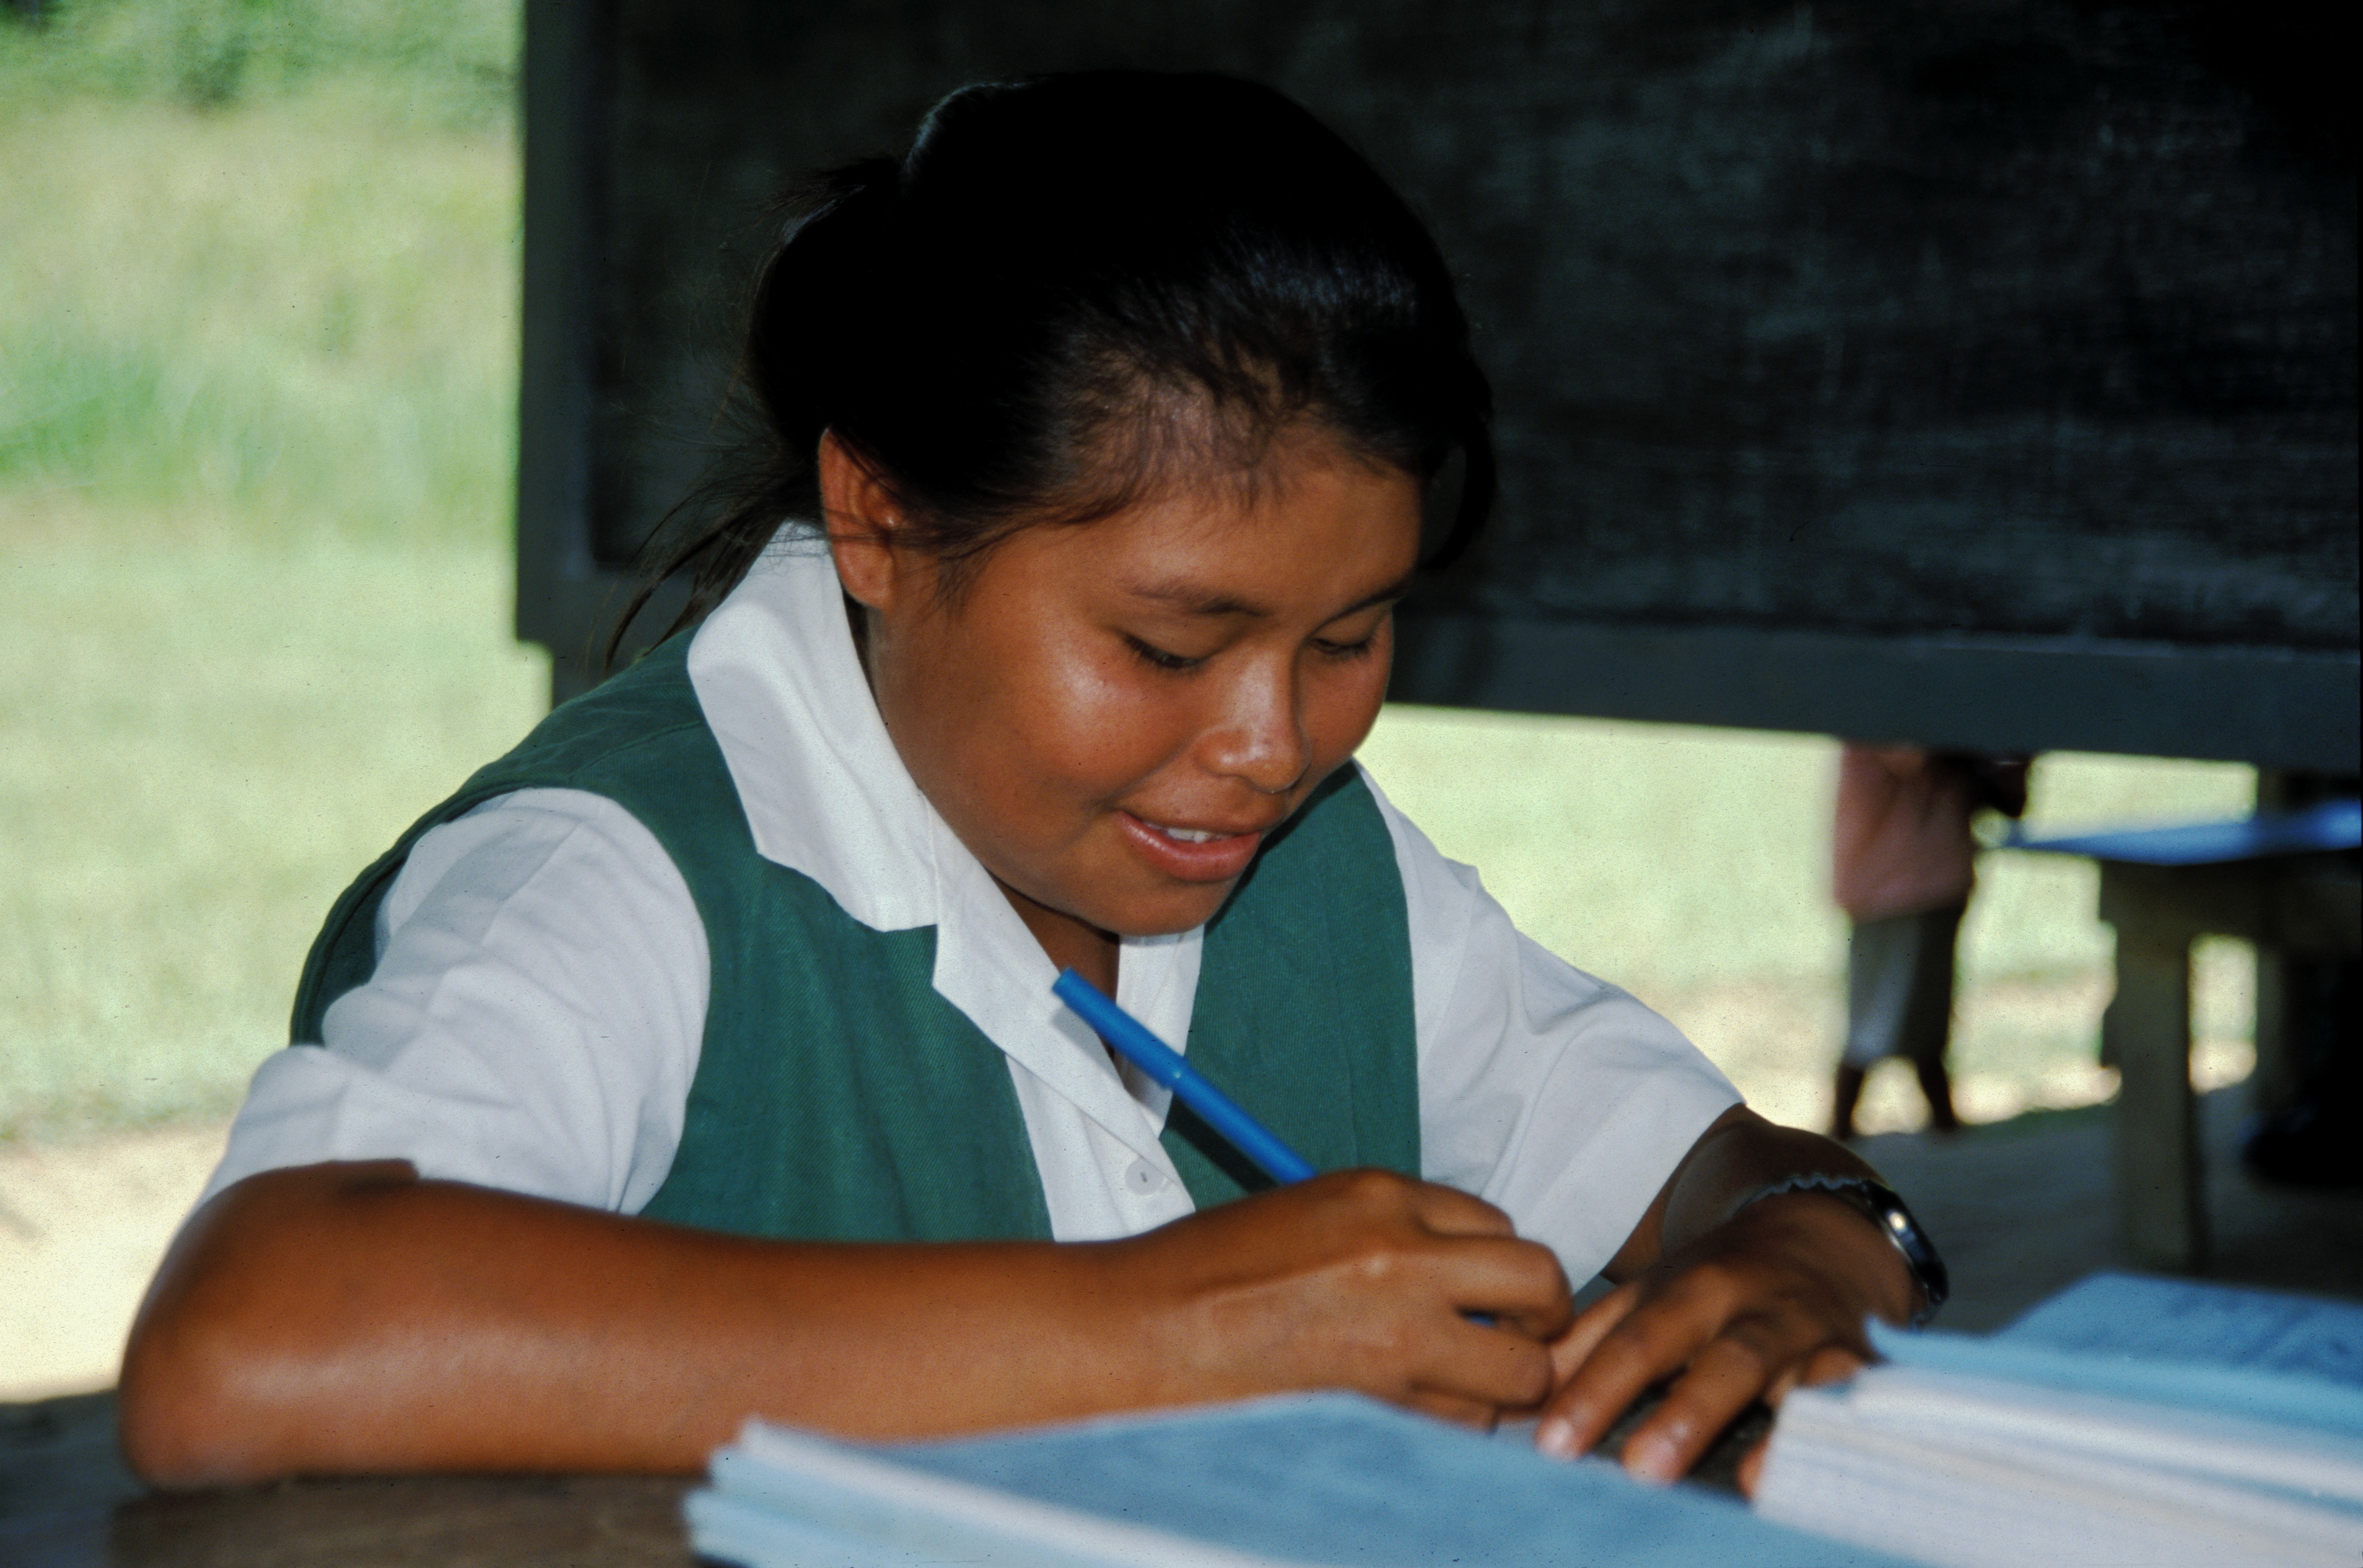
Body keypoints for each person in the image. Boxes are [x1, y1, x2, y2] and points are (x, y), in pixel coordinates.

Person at [120, 71, 1934, 1494]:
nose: (1271, 743)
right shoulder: (627, 873)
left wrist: (1814, 1257)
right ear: (879, 518)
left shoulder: (1322, 874)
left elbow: (1723, 1172)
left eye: (1348, 634)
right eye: (1166, 643)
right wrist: (1168, 1330)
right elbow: (245, 1342)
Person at [1828, 745, 2029, 1141]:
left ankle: (1937, 1127)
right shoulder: (1897, 723)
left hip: (1916, 882)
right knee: (1881, 1019)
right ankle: (1852, 1132)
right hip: (1898, 885)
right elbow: (1932, 758)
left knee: (1917, 1018)